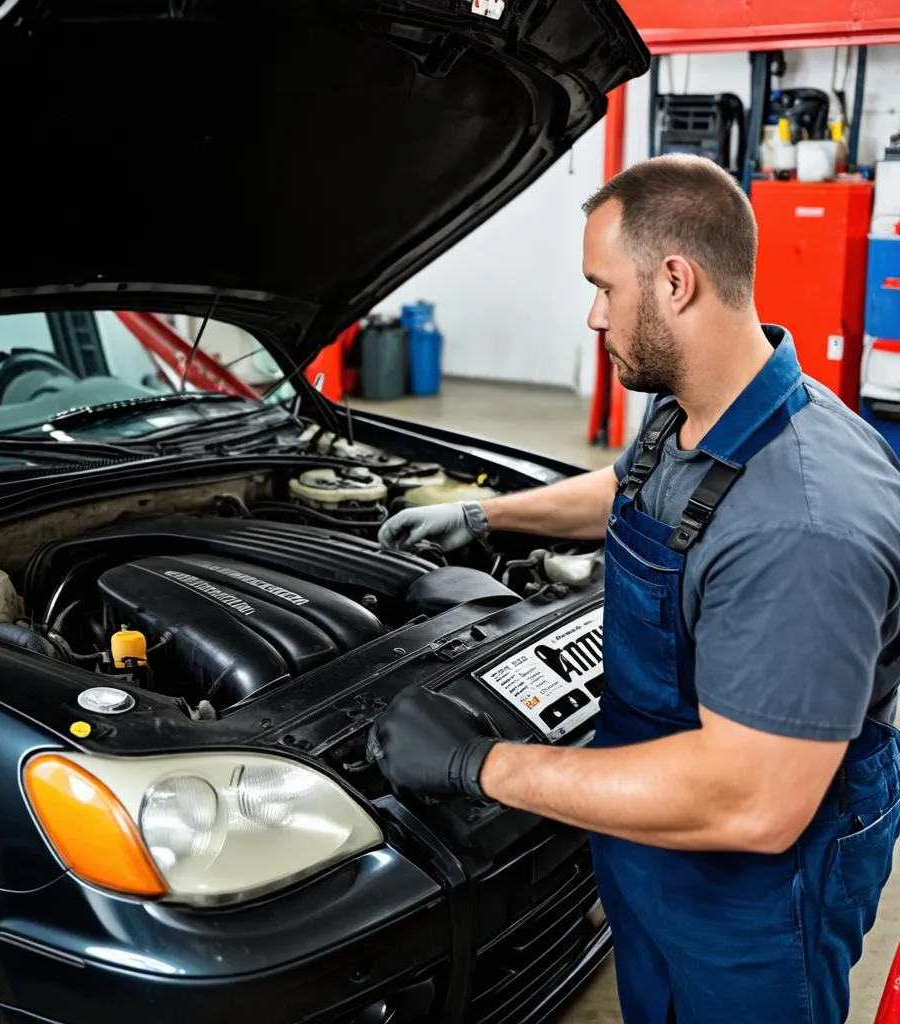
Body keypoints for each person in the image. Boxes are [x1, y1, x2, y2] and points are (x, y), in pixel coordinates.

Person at [370, 154, 900, 1023]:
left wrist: (480, 765)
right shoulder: (701, 402)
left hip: (757, 890)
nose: (593, 314)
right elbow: (638, 485)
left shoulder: (802, 522)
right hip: (652, 826)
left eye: (603, 287)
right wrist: (488, 518)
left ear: (676, 282)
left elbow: (753, 800)